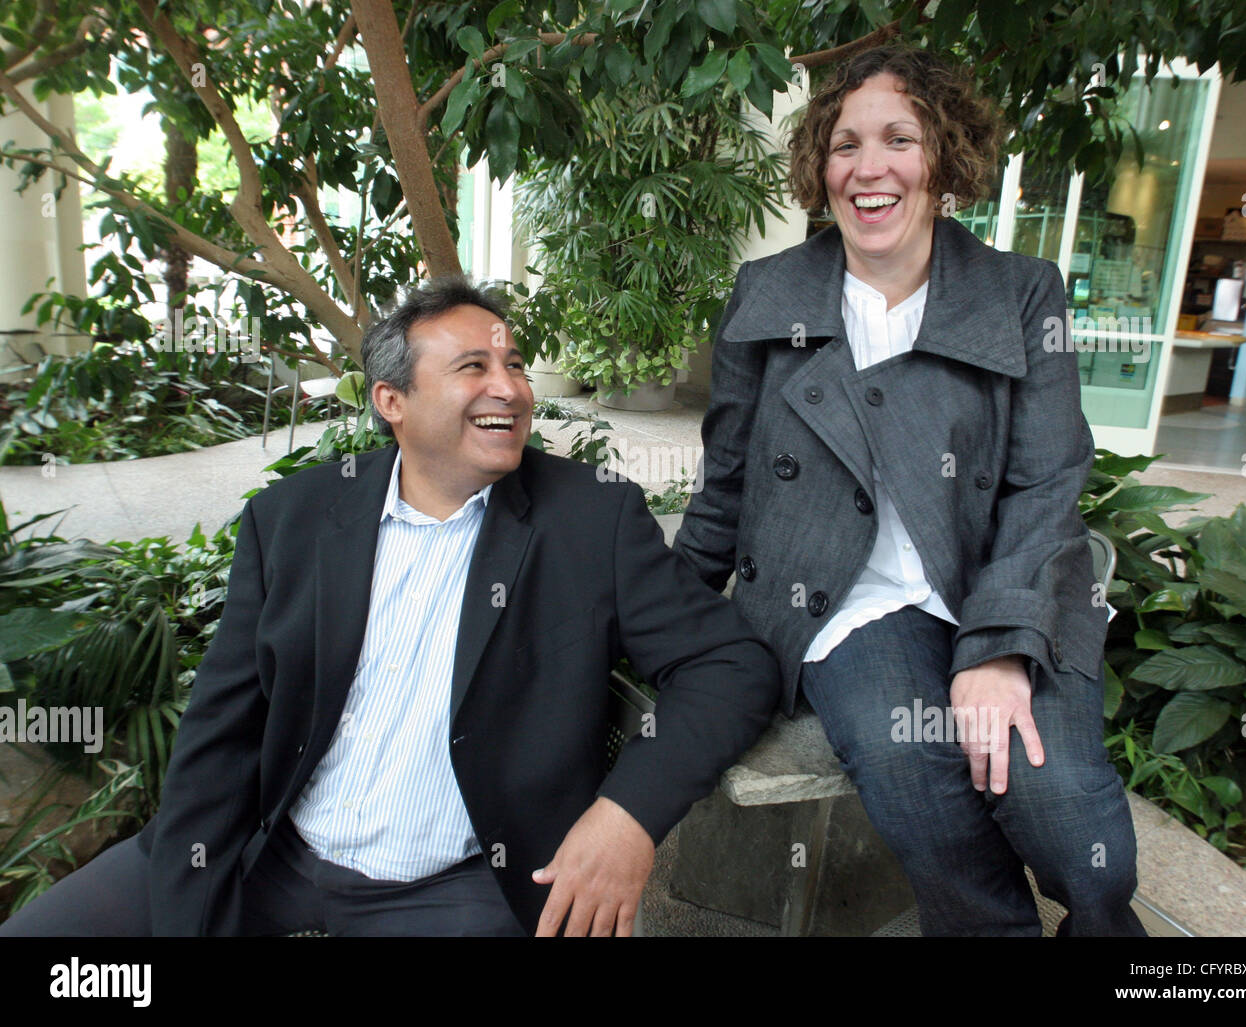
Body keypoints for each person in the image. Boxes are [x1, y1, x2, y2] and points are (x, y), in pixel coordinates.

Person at [1, 278, 780, 937]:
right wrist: (187, 904)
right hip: (271, 848)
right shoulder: (294, 521)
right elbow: (221, 729)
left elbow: (731, 664)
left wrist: (627, 814)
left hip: (459, 884)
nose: (508, 386)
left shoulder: (589, 518)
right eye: (473, 366)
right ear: (392, 400)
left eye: (513, 364)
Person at [672, 45, 1145, 936]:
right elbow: (726, 476)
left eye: (899, 137)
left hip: (998, 581)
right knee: (913, 772)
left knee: (1075, 825)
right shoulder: (768, 294)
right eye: (845, 144)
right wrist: (666, 610)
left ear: (945, 158)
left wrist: (1000, 650)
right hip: (847, 599)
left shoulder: (1019, 291)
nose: (869, 167)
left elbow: (1047, 480)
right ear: (821, 166)